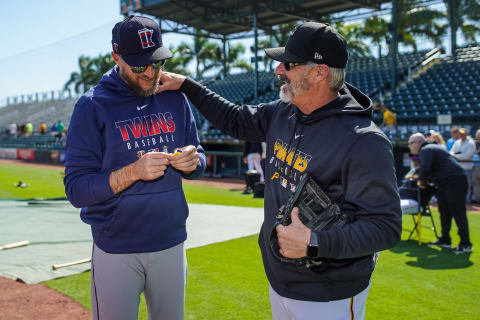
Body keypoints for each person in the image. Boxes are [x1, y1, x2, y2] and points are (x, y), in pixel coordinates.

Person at [158, 22, 401, 320]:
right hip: (279, 279)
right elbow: (234, 119)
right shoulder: (282, 112)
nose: (278, 70)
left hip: (329, 295)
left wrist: (315, 243)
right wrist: (187, 84)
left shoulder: (364, 141)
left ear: (319, 71)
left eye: (289, 63)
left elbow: (386, 228)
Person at [63, 16, 206, 320]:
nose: (151, 73)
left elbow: (200, 156)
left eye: (156, 62)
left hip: (170, 241)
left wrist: (194, 162)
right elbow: (76, 189)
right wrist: (133, 172)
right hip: (117, 248)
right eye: (139, 66)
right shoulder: (91, 105)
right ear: (116, 57)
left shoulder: (175, 98)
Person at [408, 133, 472, 254]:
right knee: (444, 211)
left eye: (411, 143)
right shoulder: (431, 148)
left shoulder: (426, 149)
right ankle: (445, 239)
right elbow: (421, 165)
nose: (409, 146)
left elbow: (425, 168)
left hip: (454, 180)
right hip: (444, 183)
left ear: (418, 142)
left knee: (457, 212)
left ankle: (466, 244)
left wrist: (421, 181)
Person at [450, 128, 476, 203]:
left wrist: (456, 156)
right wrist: (454, 155)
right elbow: (451, 151)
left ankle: (466, 201)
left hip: (467, 168)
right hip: (457, 167)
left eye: (463, 134)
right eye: (460, 133)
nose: (461, 135)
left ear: (466, 134)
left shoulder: (470, 143)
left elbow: (468, 155)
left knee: (466, 185)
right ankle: (459, 200)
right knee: (457, 185)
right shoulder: (457, 142)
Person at [471, 129, 480, 204]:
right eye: (478, 134)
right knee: (474, 181)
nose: (478, 135)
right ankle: (476, 198)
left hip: (478, 164)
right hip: (474, 164)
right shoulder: (474, 143)